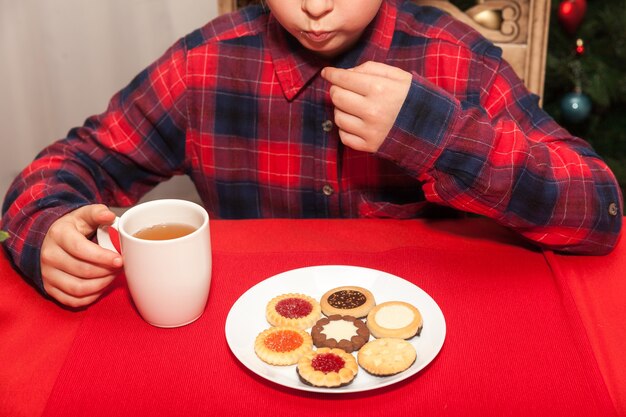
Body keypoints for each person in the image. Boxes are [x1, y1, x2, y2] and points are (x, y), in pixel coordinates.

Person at [1, 0, 622, 308]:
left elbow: (597, 210)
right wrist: (45, 227)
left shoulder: (454, 58)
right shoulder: (206, 64)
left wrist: (436, 132)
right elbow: (76, 163)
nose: (316, 5)